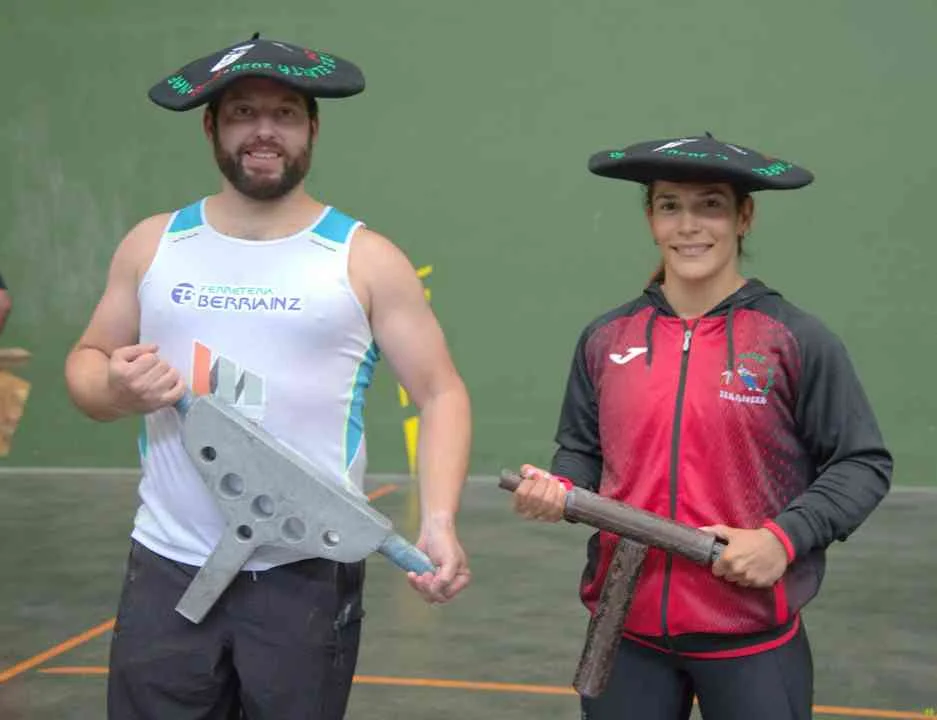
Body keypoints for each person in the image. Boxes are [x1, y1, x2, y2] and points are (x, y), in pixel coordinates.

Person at [64, 34, 472, 720]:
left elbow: (441, 394)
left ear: (312, 129)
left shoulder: (364, 258)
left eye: (284, 114)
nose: (263, 131)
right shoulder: (153, 244)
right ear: (211, 127)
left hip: (306, 573)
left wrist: (438, 519)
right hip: (167, 564)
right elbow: (88, 361)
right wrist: (114, 388)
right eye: (243, 113)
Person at [511, 134, 892, 720]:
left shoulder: (794, 339)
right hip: (625, 631)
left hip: (751, 638)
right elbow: (582, 450)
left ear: (744, 216)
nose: (688, 225)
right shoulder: (606, 338)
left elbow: (861, 463)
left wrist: (782, 538)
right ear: (651, 219)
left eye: (710, 204)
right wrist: (559, 488)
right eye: (670, 206)